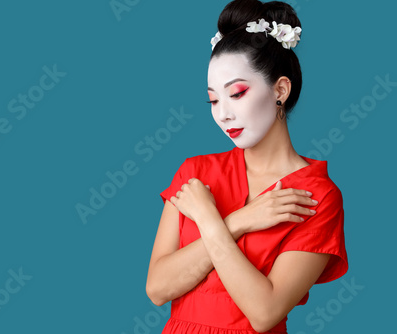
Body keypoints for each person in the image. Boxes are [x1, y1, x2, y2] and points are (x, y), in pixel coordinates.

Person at [145, 0, 349, 333]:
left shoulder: (316, 196)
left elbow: (265, 312)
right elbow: (157, 288)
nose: (222, 113)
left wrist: (209, 218)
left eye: (236, 93)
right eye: (213, 99)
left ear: (280, 89)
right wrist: (241, 221)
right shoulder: (195, 173)